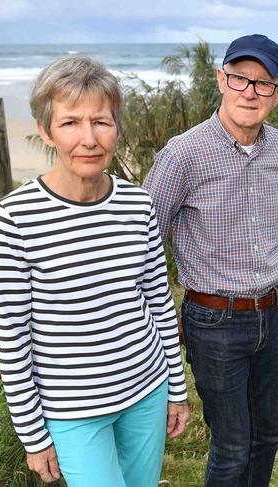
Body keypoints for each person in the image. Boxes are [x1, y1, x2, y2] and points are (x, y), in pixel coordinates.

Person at [0, 55, 189, 487]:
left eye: (101, 121)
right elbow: (12, 335)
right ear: (46, 131)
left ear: (116, 127)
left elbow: (158, 301)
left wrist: (176, 389)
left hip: (146, 390)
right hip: (72, 410)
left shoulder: (138, 204)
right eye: (70, 123)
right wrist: (33, 435)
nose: (89, 138)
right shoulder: (15, 217)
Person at [143, 34, 278, 487]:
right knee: (234, 442)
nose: (250, 92)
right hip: (214, 319)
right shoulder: (184, 154)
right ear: (221, 80)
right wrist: (160, 318)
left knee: (269, 437)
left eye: (263, 83)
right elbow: (143, 242)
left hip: (274, 314)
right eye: (240, 78)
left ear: (275, 93)